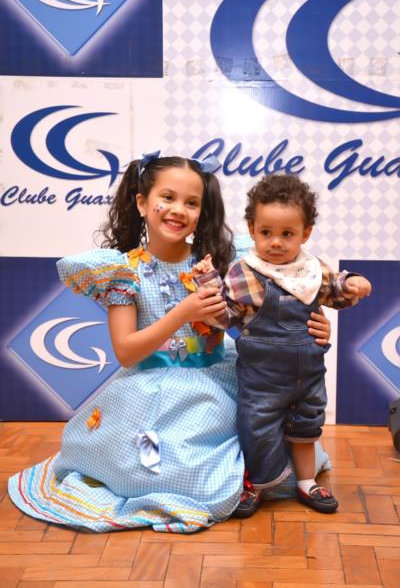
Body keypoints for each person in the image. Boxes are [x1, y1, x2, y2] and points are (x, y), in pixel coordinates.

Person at [8, 155, 331, 534]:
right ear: (142, 202)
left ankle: (250, 478)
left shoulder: (219, 262)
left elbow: (270, 312)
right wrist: (183, 312)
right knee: (154, 461)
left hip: (214, 377)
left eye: (191, 202)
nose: (179, 210)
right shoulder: (123, 272)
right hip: (149, 383)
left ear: (201, 212)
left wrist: (314, 327)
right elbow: (126, 351)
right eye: (168, 197)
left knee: (249, 437)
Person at [192, 173, 371, 518]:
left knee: (306, 425)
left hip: (308, 374)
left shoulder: (312, 269)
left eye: (287, 234)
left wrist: (353, 283)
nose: (275, 243)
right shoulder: (244, 273)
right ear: (251, 229)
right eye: (266, 232)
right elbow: (224, 318)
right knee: (257, 427)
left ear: (306, 233)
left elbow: (335, 290)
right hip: (262, 377)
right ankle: (259, 484)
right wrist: (209, 285)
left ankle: (306, 481)